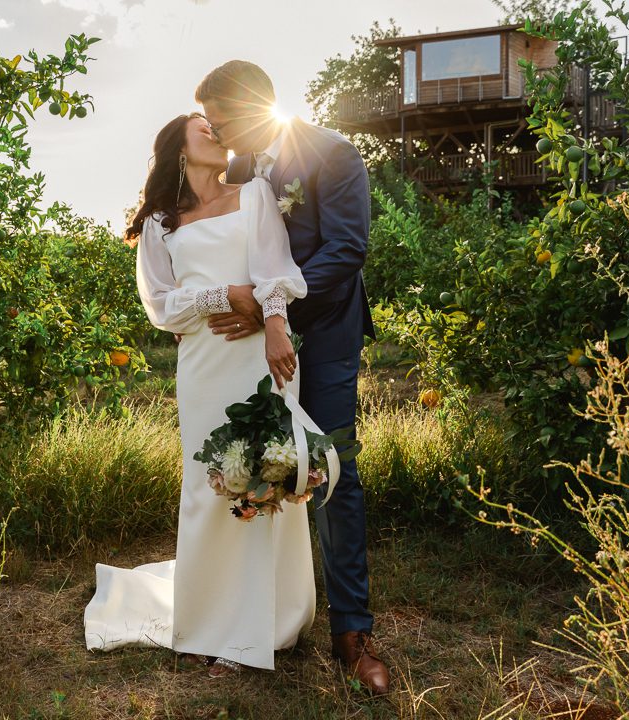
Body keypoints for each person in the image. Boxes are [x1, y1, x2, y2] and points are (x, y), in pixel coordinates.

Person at [83, 112, 314, 677]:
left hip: (263, 357)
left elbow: (275, 270)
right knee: (207, 487)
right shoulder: (163, 224)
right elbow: (162, 306)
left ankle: (250, 631)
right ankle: (204, 617)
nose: (214, 131)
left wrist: (274, 323)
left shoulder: (256, 193)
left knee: (264, 482)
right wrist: (224, 294)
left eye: (216, 126)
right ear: (179, 152)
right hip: (204, 367)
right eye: (201, 128)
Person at [197, 60, 390, 695]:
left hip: (326, 336)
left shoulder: (333, 154)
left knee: (333, 469)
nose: (218, 133)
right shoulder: (243, 169)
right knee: (264, 465)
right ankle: (267, 617)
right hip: (257, 345)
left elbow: (346, 248)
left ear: (253, 106)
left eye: (221, 119)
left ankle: (352, 633)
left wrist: (272, 309)